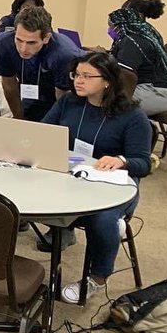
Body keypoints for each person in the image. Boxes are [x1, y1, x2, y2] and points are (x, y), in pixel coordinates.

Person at [41, 52, 151, 303]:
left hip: (114, 185)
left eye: (87, 76)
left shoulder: (133, 116)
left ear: (107, 81)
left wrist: (121, 160)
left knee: (102, 218)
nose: (78, 81)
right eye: (76, 75)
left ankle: (98, 276)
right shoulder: (69, 102)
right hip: (72, 175)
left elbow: (143, 163)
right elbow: (44, 131)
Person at [0, 5, 81, 120]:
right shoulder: (3, 44)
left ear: (46, 38)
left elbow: (63, 97)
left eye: (31, 43)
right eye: (19, 40)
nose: (23, 49)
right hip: (29, 93)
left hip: (57, 95)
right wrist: (19, 119)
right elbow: (9, 86)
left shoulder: (64, 54)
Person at [108, 0, 167, 117]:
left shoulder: (133, 39)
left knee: (103, 96)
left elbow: (125, 74)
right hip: (159, 90)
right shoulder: (148, 33)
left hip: (154, 91)